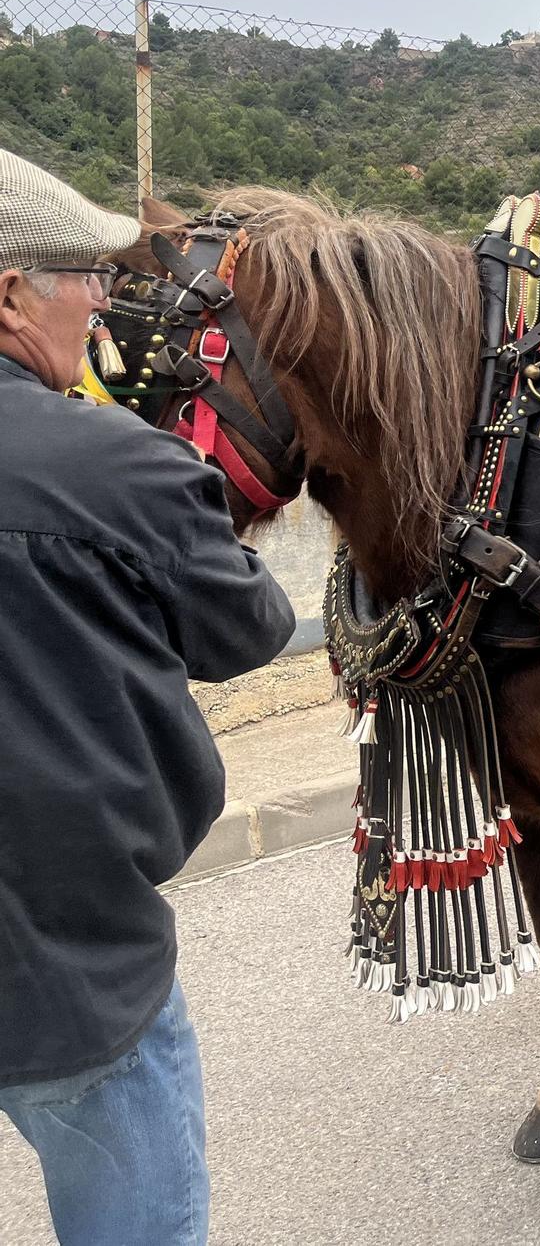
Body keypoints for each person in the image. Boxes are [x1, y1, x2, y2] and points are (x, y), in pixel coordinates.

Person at [0, 150, 296, 1244]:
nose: (105, 301)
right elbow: (249, 628)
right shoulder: (114, 461)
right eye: (90, 276)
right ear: (10, 293)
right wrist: (145, 466)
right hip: (68, 967)